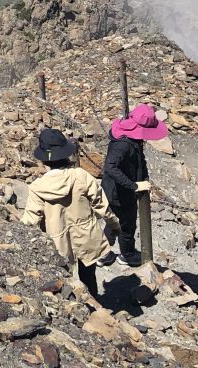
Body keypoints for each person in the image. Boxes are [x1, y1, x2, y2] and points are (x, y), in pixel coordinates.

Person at [22, 128, 114, 297]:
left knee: (66, 282)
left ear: (44, 160)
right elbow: (102, 205)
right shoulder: (80, 175)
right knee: (88, 276)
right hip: (86, 235)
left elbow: (30, 221)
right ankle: (96, 308)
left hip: (58, 240)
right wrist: (114, 225)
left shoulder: (37, 187)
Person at [101, 103, 167, 267]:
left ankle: (102, 254)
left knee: (114, 222)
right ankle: (127, 255)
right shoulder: (124, 144)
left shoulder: (127, 136)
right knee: (127, 224)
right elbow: (110, 167)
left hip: (116, 189)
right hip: (120, 192)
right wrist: (134, 186)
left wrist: (142, 177)